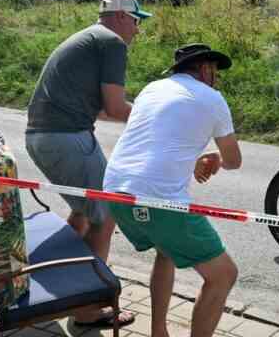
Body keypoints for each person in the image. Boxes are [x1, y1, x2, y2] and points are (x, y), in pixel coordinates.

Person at [24, 0, 149, 328]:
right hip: (65, 137)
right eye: (137, 21)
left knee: (83, 211)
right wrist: (154, 120)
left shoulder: (89, 37)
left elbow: (99, 108)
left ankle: (60, 278)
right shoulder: (111, 42)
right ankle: (87, 308)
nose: (137, 30)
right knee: (106, 214)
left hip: (45, 136)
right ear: (123, 16)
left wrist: (133, 112)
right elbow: (116, 108)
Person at [104, 43, 242, 337]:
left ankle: (158, 332)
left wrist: (193, 160)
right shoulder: (212, 98)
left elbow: (159, 141)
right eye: (215, 71)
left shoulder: (152, 89)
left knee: (166, 252)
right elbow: (234, 160)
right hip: (158, 200)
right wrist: (215, 158)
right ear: (205, 70)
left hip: (114, 191)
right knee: (224, 275)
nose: (216, 78)